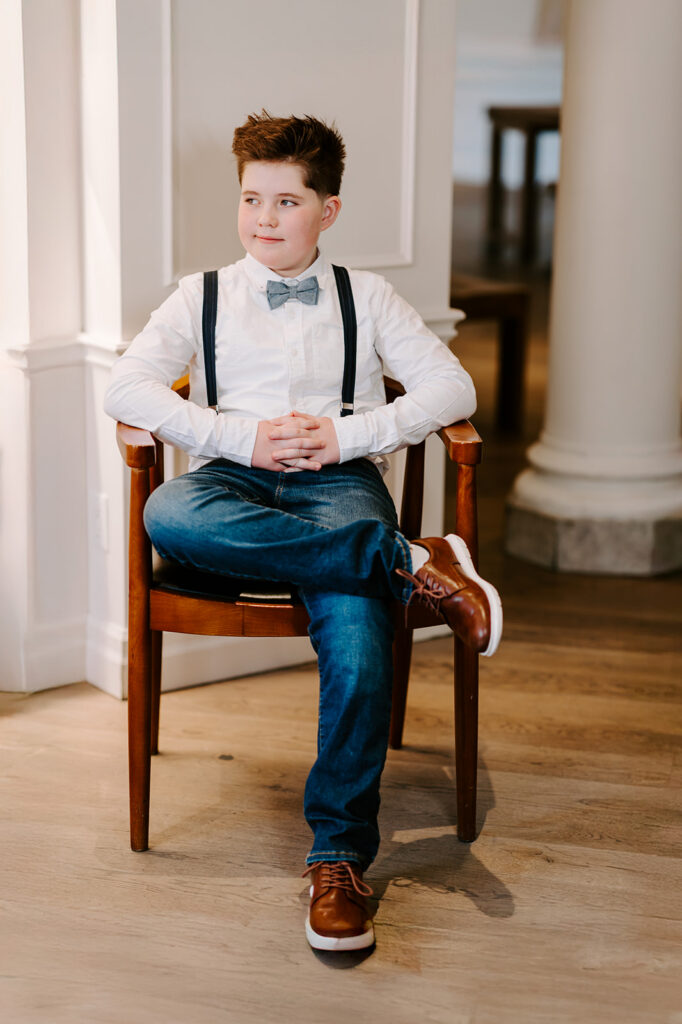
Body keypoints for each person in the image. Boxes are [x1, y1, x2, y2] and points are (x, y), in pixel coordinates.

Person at [104, 111, 502, 954]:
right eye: (253, 199)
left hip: (338, 488)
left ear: (329, 210)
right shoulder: (200, 293)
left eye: (287, 201)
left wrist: (350, 437)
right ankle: (406, 561)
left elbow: (452, 388)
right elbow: (128, 389)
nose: (264, 220)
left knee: (358, 639)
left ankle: (338, 855)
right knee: (167, 511)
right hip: (230, 481)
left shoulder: (368, 295)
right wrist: (235, 436)